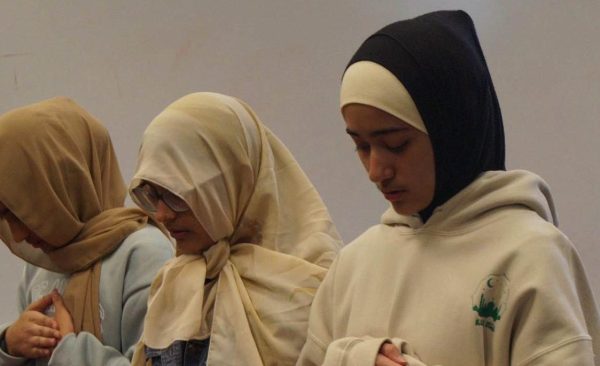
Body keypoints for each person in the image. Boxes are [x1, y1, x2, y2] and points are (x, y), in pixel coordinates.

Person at [297, 10, 600, 366]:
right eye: (362, 146)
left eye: (395, 143)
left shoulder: (531, 257)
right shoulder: (353, 265)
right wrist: (352, 358)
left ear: (452, 132)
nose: (377, 170)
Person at [127, 92, 341, 365]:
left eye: (176, 194)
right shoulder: (173, 282)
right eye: (151, 195)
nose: (162, 214)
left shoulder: (317, 290)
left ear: (229, 183)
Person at [0, 97, 173, 365]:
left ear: (60, 183)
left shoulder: (144, 255)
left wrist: (72, 353)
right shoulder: (40, 263)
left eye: (21, 211)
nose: (18, 236)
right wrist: (10, 345)